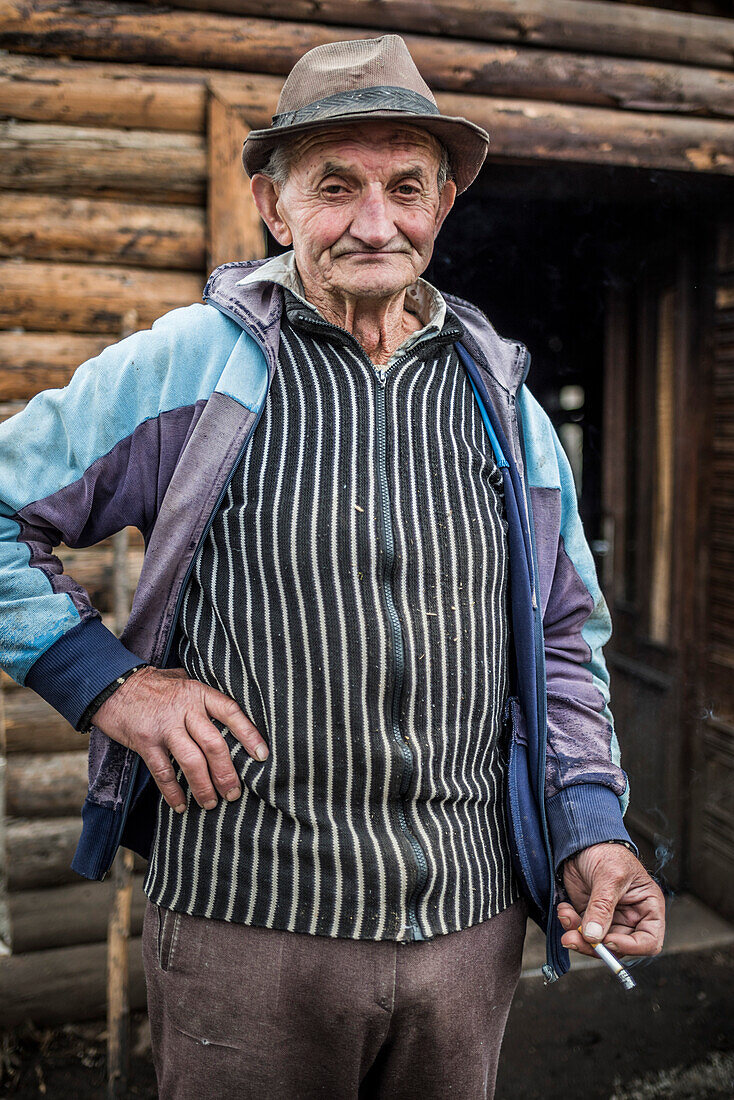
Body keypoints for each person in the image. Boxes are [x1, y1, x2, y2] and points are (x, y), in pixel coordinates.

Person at [0, 34, 665, 1099]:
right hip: (245, 927)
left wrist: (587, 825)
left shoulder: (501, 402)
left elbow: (559, 634)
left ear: (439, 207)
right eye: (334, 187)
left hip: (466, 928)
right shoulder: (192, 365)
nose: (373, 220)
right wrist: (110, 679)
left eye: (405, 186)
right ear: (274, 208)